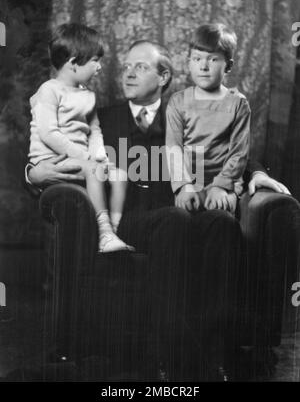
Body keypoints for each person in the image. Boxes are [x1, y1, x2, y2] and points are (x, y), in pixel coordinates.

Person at [27, 39, 292, 381]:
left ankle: (214, 355)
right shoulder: (101, 117)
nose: (129, 73)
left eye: (141, 67)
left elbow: (226, 150)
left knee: (222, 223)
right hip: (128, 221)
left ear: (164, 76)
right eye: (126, 67)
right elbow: (49, 147)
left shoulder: (183, 113)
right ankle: (176, 358)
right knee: (174, 219)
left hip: (181, 217)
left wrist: (257, 174)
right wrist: (33, 172)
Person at [28, 23, 133, 253]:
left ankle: (111, 232)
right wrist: (86, 158)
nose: (99, 67)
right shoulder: (49, 90)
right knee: (93, 170)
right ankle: (104, 231)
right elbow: (48, 133)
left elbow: (94, 130)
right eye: (95, 60)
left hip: (82, 161)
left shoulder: (88, 95)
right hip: (52, 160)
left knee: (119, 174)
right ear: (74, 63)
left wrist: (100, 157)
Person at [166, 23, 250, 215]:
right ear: (189, 62)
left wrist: (221, 186)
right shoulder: (178, 101)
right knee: (182, 221)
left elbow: (239, 152)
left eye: (213, 60)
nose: (203, 66)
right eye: (197, 59)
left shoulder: (238, 103)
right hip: (189, 182)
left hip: (225, 185)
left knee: (220, 218)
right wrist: (183, 185)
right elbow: (173, 148)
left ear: (228, 65)